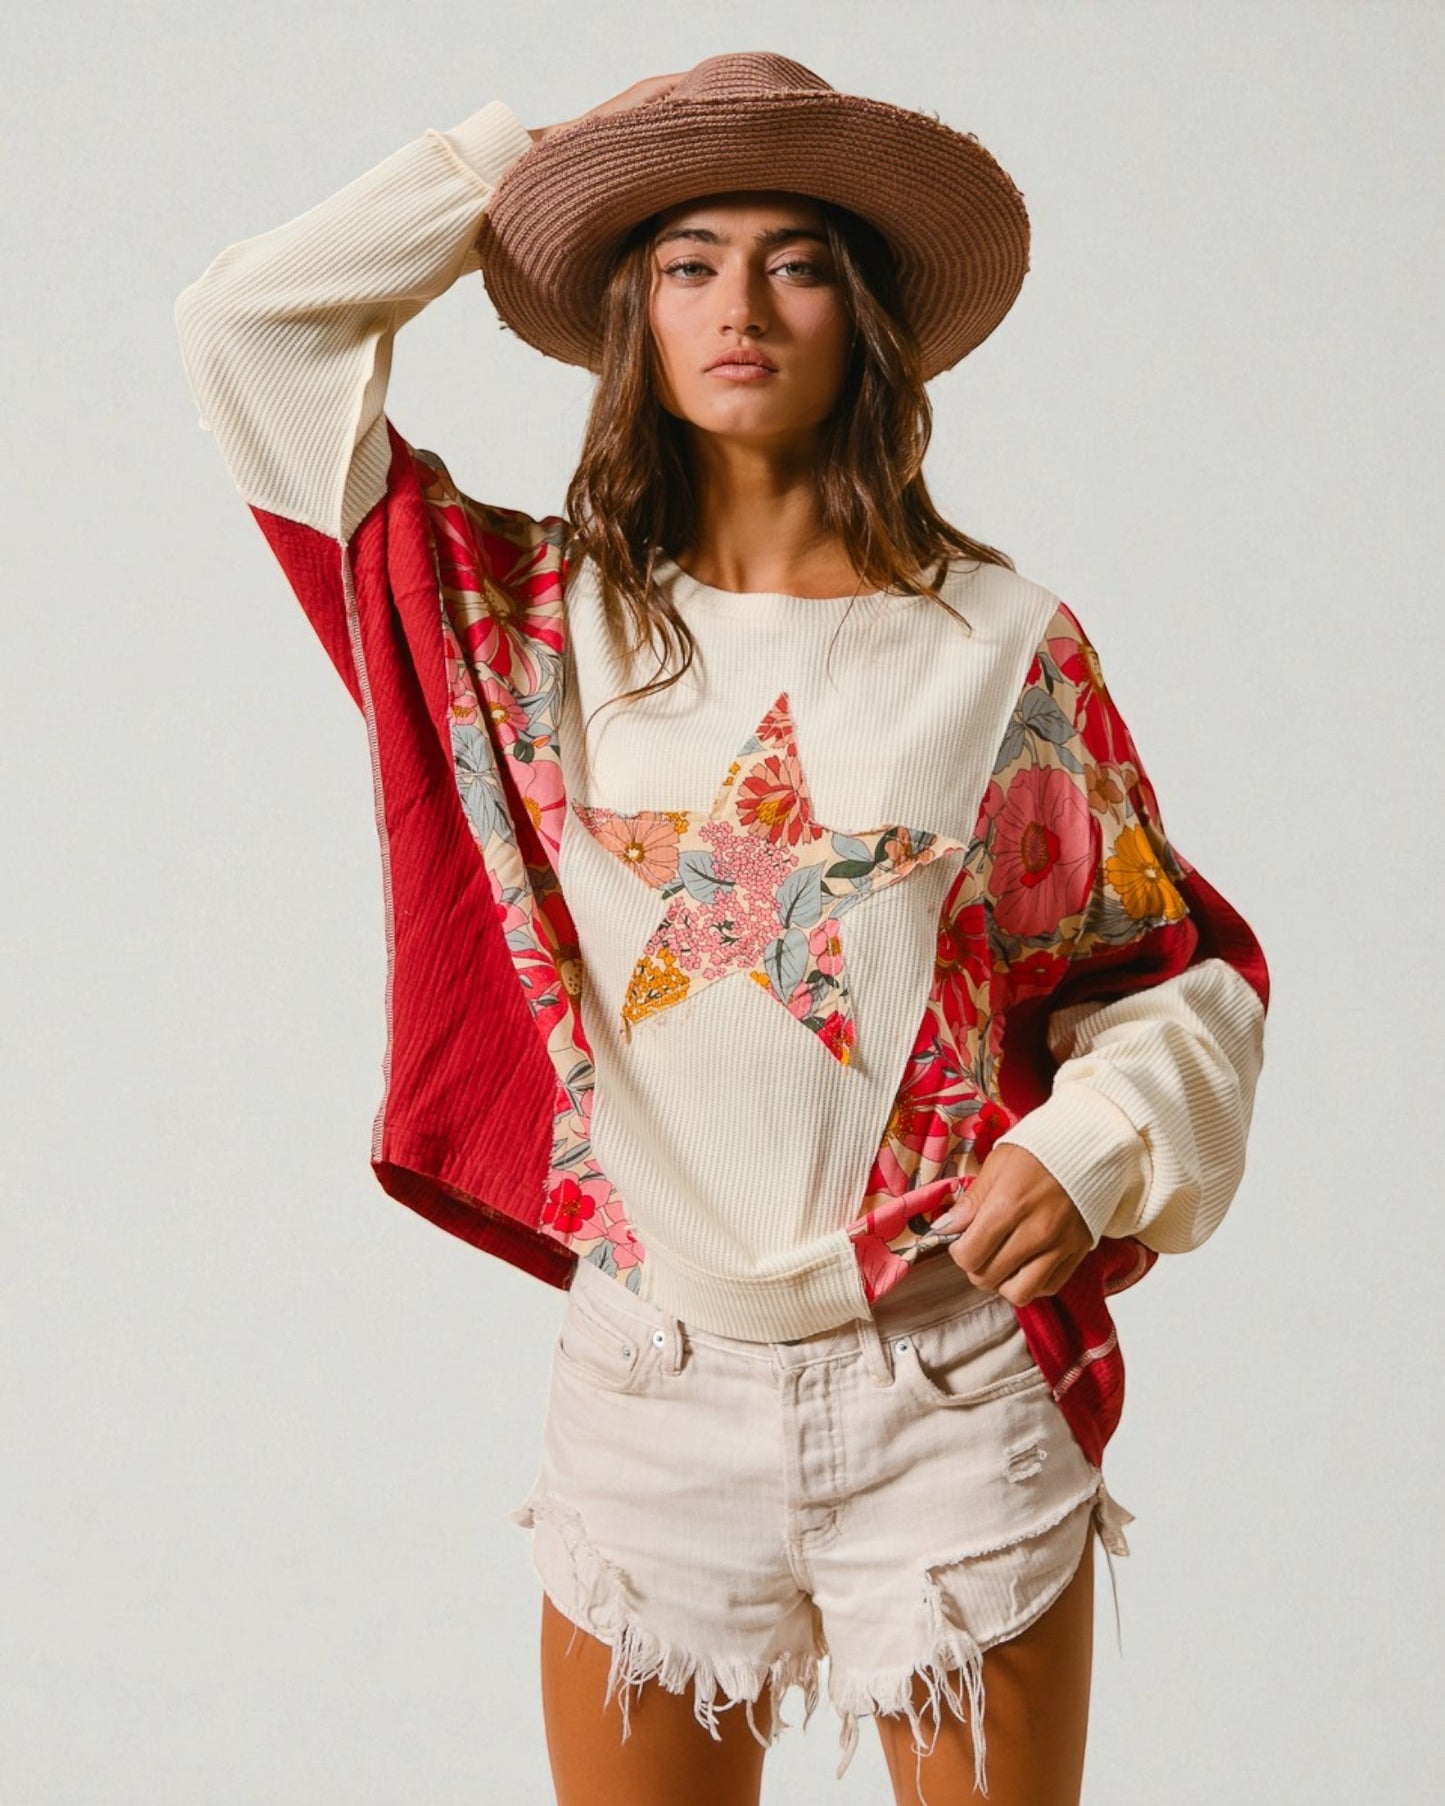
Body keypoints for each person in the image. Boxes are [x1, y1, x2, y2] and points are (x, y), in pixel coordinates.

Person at [175, 50, 1270, 1806]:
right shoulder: (520, 629)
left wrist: (1095, 1143)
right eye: (684, 259)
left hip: (945, 1373)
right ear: (631, 317)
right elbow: (246, 335)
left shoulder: (997, 648)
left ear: (868, 314)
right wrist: (524, 160)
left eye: (794, 258)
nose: (737, 305)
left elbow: (1158, 978)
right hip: (648, 1378)